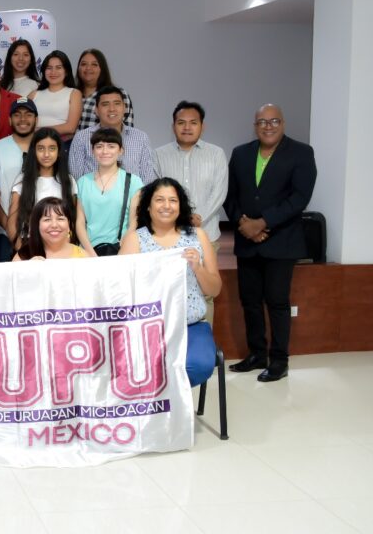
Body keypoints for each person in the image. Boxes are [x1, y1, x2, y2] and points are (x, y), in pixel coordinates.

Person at [224, 105, 317, 382]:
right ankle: (257, 354)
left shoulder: (301, 153)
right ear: (255, 125)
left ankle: (279, 360)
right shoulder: (241, 153)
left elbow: (300, 197)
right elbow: (230, 196)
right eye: (262, 122)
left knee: (277, 301)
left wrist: (262, 223)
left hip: (282, 240)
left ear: (283, 123)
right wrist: (243, 223)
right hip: (247, 240)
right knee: (249, 300)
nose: (268, 126)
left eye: (274, 121)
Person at [120, 178, 221, 387]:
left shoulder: (198, 237)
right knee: (138, 366)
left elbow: (215, 289)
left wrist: (198, 268)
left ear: (180, 205)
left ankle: (172, 409)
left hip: (190, 325)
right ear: (148, 206)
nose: (166, 206)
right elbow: (119, 287)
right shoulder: (135, 239)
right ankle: (159, 411)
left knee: (197, 366)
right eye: (159, 200)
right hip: (148, 326)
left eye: (173, 200)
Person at [155, 101, 228, 324]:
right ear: (173, 125)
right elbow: (156, 192)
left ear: (202, 126)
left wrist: (199, 217)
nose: (187, 127)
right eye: (181, 123)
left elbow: (220, 190)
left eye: (193, 123)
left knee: (206, 292)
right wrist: (182, 217)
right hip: (169, 236)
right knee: (169, 293)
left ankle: (203, 350)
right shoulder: (159, 154)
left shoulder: (216, 154)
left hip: (206, 233)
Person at [75, 127, 143, 257]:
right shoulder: (83, 182)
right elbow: (80, 222)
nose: (105, 151)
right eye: (99, 146)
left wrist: (125, 246)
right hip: (87, 251)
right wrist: (90, 253)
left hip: (121, 250)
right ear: (92, 151)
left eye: (111, 146)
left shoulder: (133, 181)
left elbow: (134, 221)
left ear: (121, 150)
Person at [68, 85, 158, 183]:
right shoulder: (82, 137)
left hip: (133, 197)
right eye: (105, 104)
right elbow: (75, 179)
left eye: (117, 103)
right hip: (92, 197)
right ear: (96, 110)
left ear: (124, 108)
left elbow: (148, 179)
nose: (112, 109)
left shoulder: (141, 137)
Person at [8, 127, 78, 246]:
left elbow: (72, 219)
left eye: (52, 149)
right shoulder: (22, 180)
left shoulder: (68, 181)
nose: (46, 154)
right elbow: (12, 221)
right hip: (29, 244)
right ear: (34, 151)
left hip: (61, 245)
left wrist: (66, 247)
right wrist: (21, 249)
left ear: (59, 152)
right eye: (41, 148)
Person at [0, 98, 38, 260]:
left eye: (28, 114)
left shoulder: (46, 148)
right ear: (9, 119)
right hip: (3, 233)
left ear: (36, 119)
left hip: (42, 232)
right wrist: (11, 229)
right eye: (17, 115)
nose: (23, 119)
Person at [74, 48, 135, 130]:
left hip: (103, 142)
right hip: (74, 142)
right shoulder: (71, 94)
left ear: (102, 69)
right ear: (78, 68)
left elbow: (127, 130)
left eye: (94, 64)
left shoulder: (118, 94)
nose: (88, 68)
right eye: (84, 64)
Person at [14, 196, 88, 261]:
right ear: (37, 225)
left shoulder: (83, 256)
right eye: (47, 219)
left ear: (69, 225)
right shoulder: (23, 257)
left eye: (60, 219)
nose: (54, 225)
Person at [30, 50, 82, 140]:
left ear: (66, 71)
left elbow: (71, 128)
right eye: (49, 68)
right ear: (44, 71)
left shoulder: (74, 93)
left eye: (58, 67)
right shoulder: (34, 94)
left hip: (61, 145)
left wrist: (38, 131)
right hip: (33, 143)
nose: (53, 72)